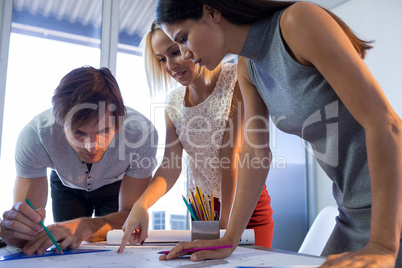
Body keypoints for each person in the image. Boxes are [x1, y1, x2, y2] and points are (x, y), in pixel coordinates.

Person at [154, 0, 402, 267]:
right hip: (354, 212)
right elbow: (255, 152)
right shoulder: (247, 68)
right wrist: (229, 238)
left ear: (211, 12)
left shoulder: (296, 22)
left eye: (183, 39)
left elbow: (385, 124)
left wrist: (383, 245)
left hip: (391, 212)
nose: (185, 55)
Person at [118, 22, 274, 252]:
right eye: (161, 59)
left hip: (245, 205)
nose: (171, 65)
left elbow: (230, 156)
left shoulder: (236, 78)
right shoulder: (173, 104)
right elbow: (170, 166)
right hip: (202, 210)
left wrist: (224, 230)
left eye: (174, 52)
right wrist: (141, 205)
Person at [0, 66, 158, 255]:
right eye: (78, 133)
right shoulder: (36, 136)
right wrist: (13, 233)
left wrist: (84, 227)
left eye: (104, 131)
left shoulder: (141, 133)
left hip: (116, 184)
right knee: (64, 245)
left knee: (113, 243)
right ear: (60, 124)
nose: (92, 147)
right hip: (66, 183)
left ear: (120, 120)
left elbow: (132, 217)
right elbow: (25, 231)